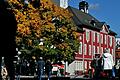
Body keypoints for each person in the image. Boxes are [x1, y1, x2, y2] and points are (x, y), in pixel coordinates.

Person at [0, 0, 17, 80]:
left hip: (4, 41)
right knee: (9, 62)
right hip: (9, 42)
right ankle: (12, 77)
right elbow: (14, 28)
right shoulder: (11, 14)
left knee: (8, 61)